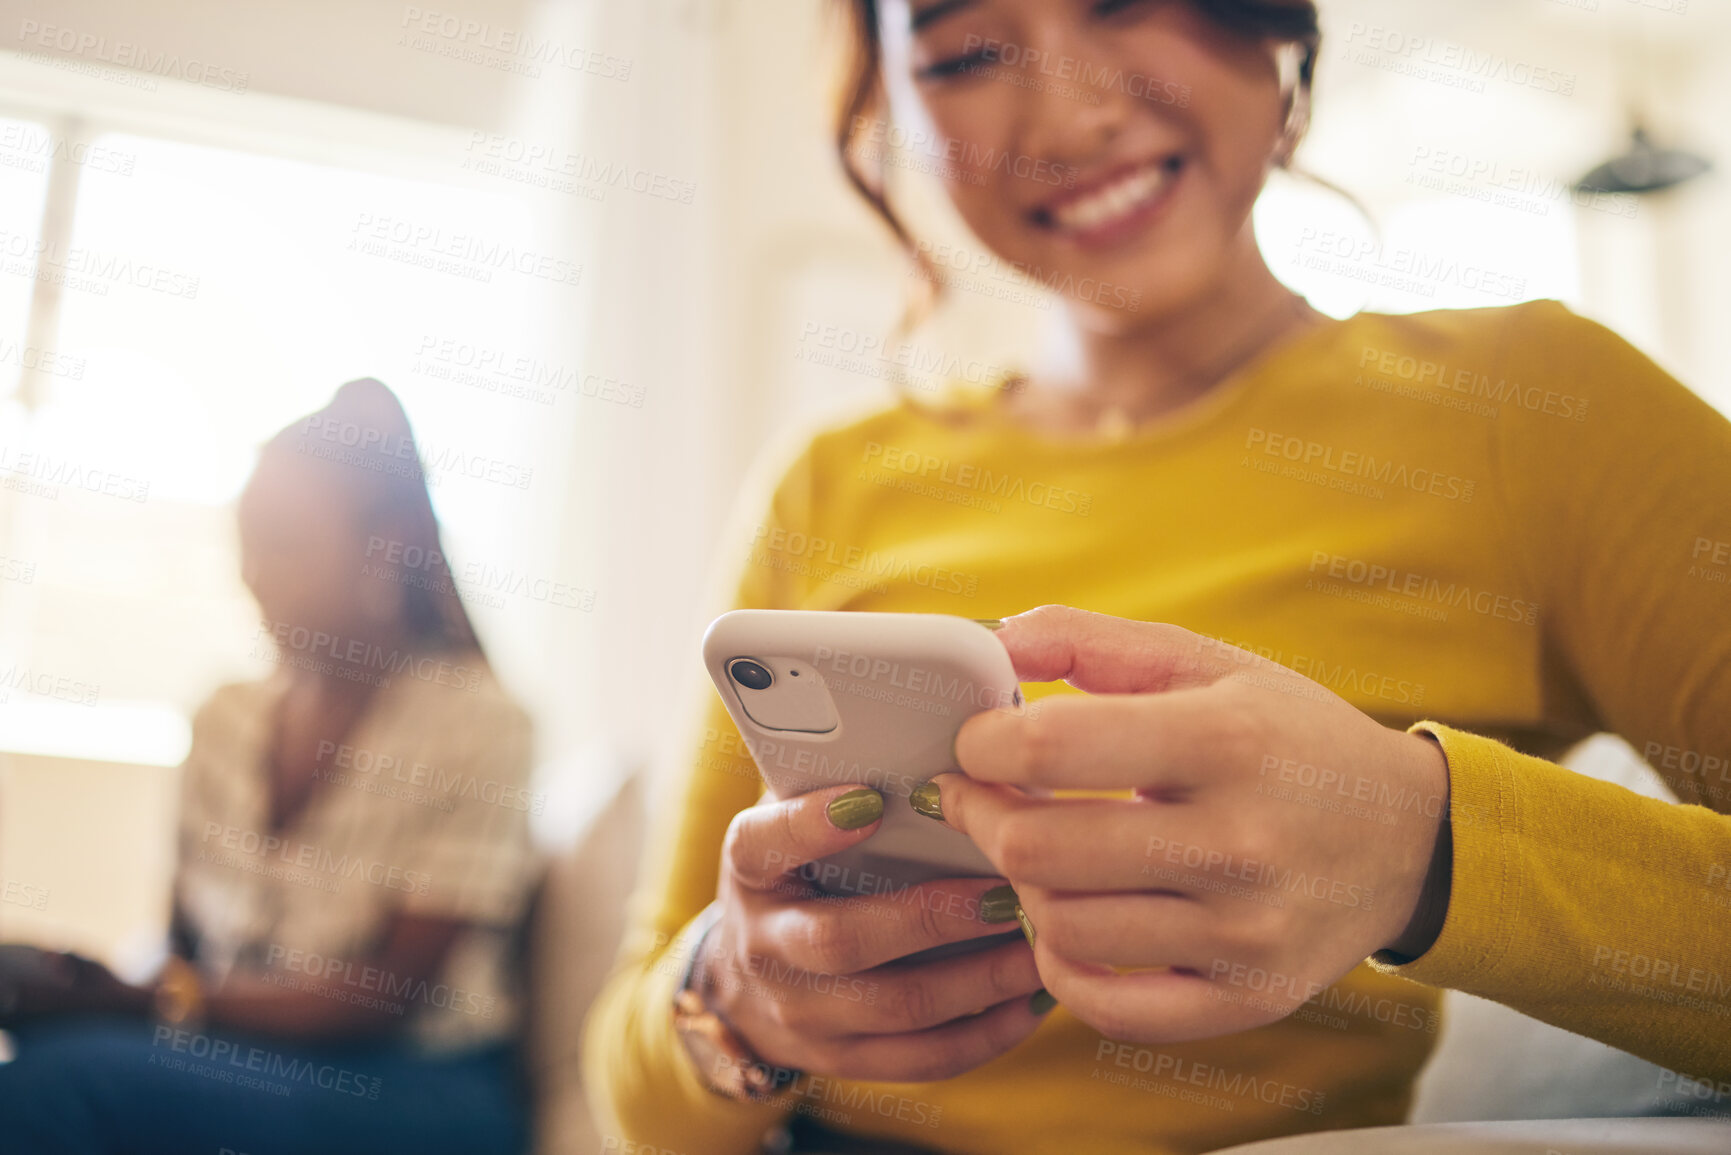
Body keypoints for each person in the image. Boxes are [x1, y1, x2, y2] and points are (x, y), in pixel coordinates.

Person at [583, 1, 1731, 1153]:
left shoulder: (1534, 411)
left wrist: (1421, 851)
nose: (1069, 115)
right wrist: (732, 998)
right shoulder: (828, 484)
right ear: (888, 108)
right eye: (966, 53)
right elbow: (633, 1105)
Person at [0, 379, 538, 1155]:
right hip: (246, 1053)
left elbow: (386, 995)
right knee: (43, 1053)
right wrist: (89, 986)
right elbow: (183, 946)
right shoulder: (224, 716)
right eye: (246, 540)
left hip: (412, 1081)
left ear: (387, 545)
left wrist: (153, 1002)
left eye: (285, 542)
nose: (253, 572)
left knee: (57, 1087)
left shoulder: (480, 723)